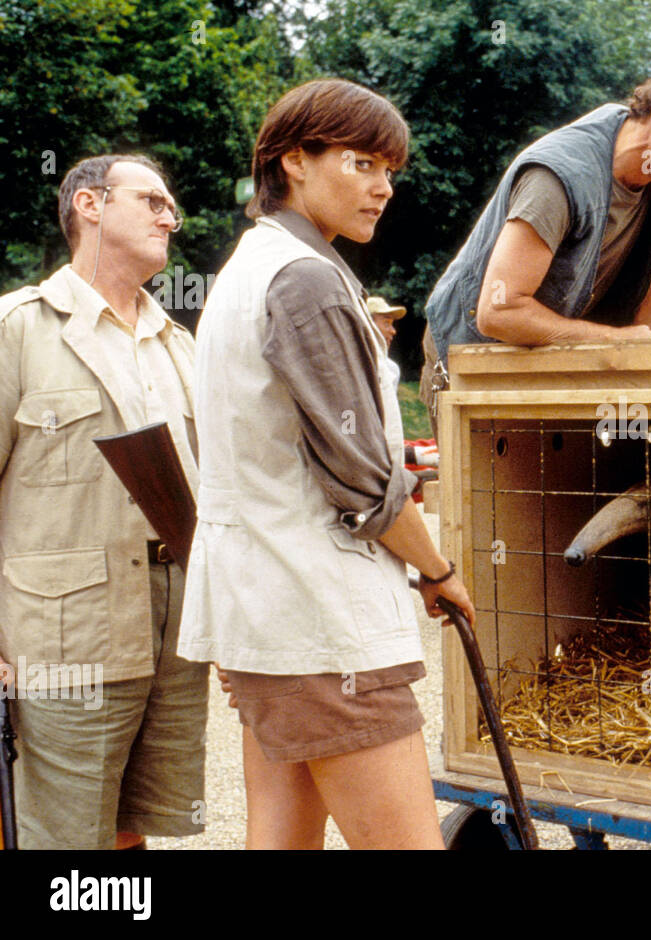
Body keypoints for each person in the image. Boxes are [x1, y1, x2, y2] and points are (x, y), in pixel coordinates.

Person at [177, 79, 474, 850]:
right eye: (362, 163)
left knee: (281, 837)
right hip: (320, 618)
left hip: (265, 610)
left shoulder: (251, 268)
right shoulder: (303, 278)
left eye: (390, 172)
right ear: (293, 161)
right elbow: (363, 482)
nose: (383, 188)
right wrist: (438, 571)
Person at [0, 153, 207, 849]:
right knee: (61, 838)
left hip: (172, 630)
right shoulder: (18, 329)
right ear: (90, 205)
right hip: (64, 636)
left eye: (169, 205)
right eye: (151, 199)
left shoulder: (177, 342)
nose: (169, 216)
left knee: (131, 827)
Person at [419, 59, 651, 407]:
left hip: (542, 361)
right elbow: (499, 311)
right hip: (472, 359)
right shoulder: (558, 177)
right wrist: (617, 342)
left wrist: (650, 354)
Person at [366, 294, 405, 385]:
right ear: (368, 325)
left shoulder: (391, 369)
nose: (393, 331)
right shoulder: (351, 365)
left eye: (392, 324)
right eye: (386, 323)